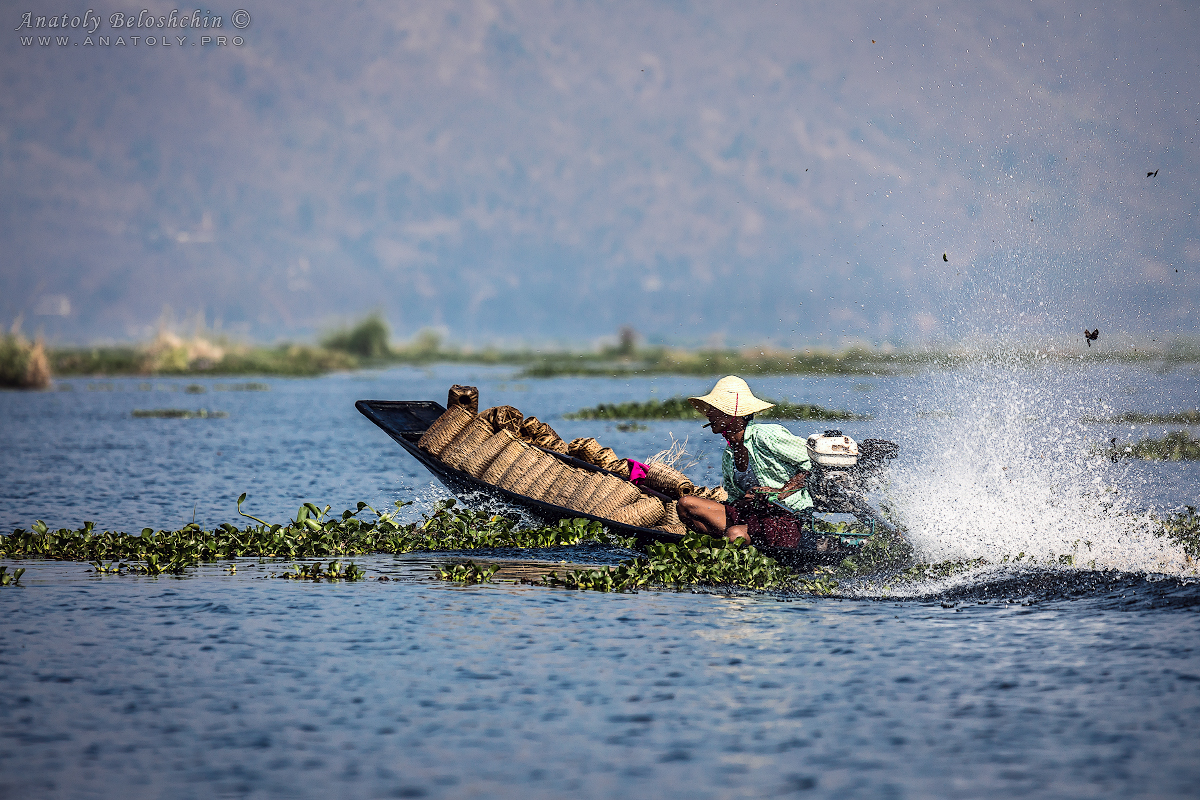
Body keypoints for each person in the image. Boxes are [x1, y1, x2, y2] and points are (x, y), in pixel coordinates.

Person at [676, 376, 813, 548]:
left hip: (785, 518)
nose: (708, 414)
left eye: (715, 409)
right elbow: (734, 498)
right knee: (686, 504)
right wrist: (745, 501)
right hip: (750, 515)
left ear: (734, 414)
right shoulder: (729, 453)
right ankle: (731, 544)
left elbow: (812, 463)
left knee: (734, 535)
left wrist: (780, 492)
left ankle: (736, 541)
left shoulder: (765, 436)